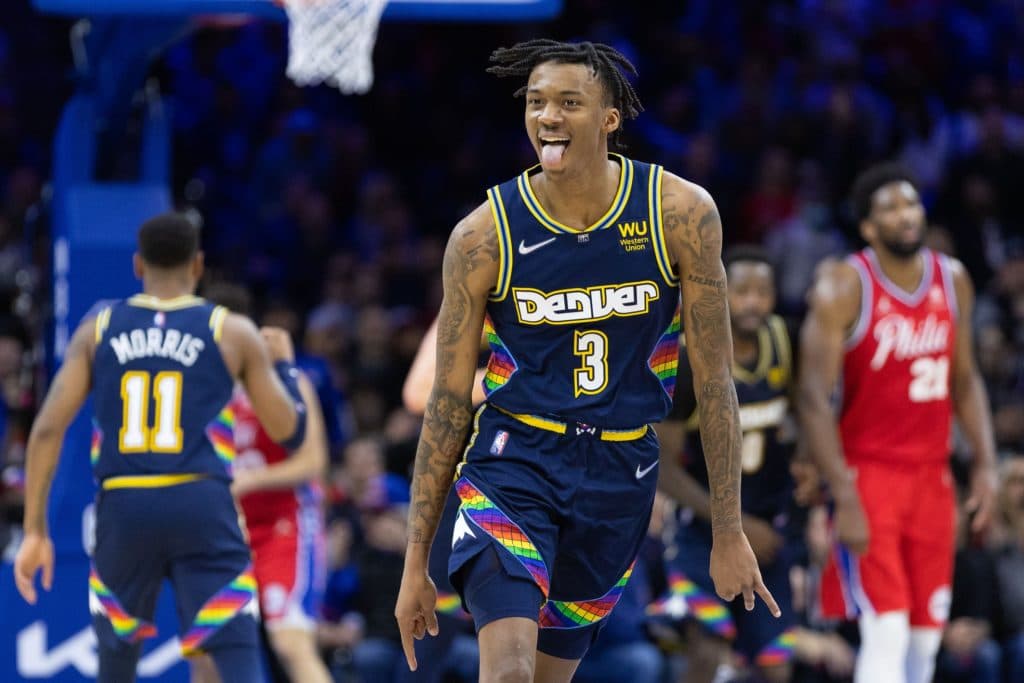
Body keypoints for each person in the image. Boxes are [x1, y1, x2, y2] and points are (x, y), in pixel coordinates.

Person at [395, 39, 778, 683]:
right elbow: (447, 402)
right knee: (508, 671)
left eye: (569, 103)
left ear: (609, 118)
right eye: (536, 102)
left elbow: (716, 384)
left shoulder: (679, 213)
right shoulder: (483, 235)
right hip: (515, 461)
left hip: (621, 472)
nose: (548, 116)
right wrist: (414, 561)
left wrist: (727, 528)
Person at [13, 212, 308, 683]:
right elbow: (289, 431)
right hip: (201, 502)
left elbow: (47, 429)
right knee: (237, 662)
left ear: (138, 265)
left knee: (116, 665)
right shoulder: (229, 329)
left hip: (123, 504)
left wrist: (34, 530)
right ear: (198, 265)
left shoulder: (98, 328)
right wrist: (286, 370)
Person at [797, 162, 998, 683]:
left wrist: (985, 464)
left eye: (911, 203)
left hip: (932, 477)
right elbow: (813, 398)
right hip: (869, 476)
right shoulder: (844, 285)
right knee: (885, 631)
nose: (906, 215)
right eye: (890, 208)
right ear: (868, 227)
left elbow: (966, 380)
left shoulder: (953, 278)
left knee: (925, 639)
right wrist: (842, 494)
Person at [657, 245, 803, 683]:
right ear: (719, 293)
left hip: (767, 527)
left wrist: (808, 468)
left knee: (777, 664)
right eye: (742, 292)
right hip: (702, 529)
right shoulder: (689, 359)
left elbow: (807, 413)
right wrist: (733, 525)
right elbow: (664, 467)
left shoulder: (785, 340)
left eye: (763, 292)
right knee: (707, 652)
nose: (753, 302)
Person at [191, 282, 333, 683]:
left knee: (290, 643)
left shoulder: (285, 381)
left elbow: (313, 462)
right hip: (225, 532)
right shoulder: (198, 392)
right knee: (208, 657)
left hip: (284, 526)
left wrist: (249, 480)